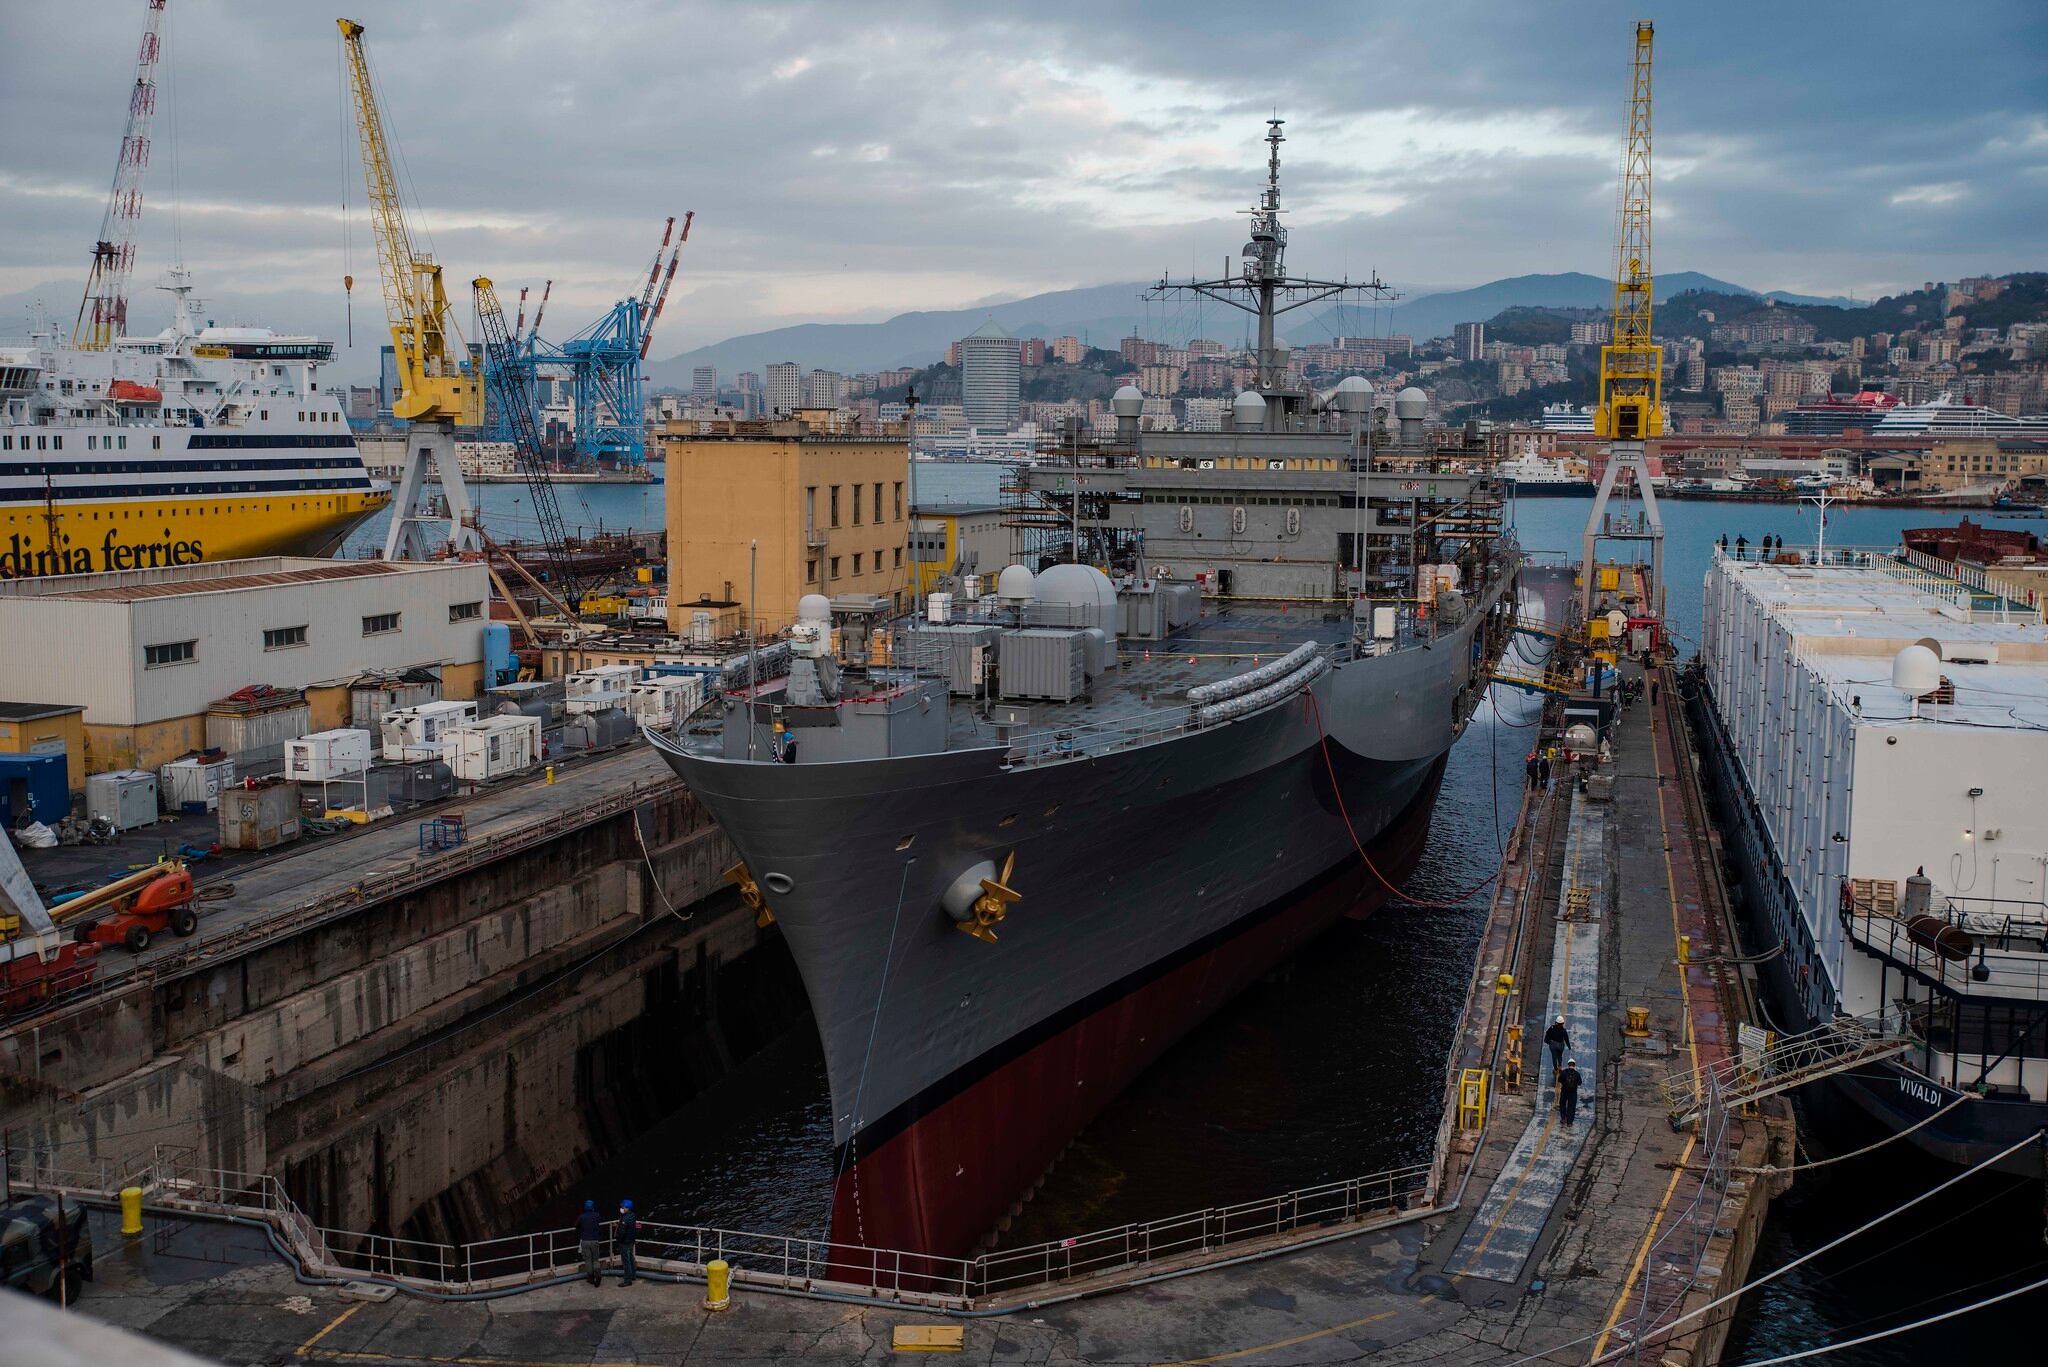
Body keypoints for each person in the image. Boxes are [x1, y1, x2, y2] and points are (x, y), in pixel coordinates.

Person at [576, 1199, 604, 1287]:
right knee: (595, 1260)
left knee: (588, 1260)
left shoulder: (582, 1217)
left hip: (585, 1241)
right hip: (595, 1240)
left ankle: (591, 1278)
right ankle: (598, 1274)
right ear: (593, 1207)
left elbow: (576, 1226)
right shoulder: (597, 1215)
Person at [616, 1199, 639, 1286]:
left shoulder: (625, 1218)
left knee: (626, 1261)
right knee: (631, 1258)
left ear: (627, 1208)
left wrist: (618, 1239)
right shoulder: (632, 1215)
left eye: (623, 1207)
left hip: (625, 1242)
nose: (621, 1208)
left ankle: (627, 1280)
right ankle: (633, 1275)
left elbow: (622, 1231)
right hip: (631, 1241)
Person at [1559, 1058, 1584, 1124]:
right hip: (1573, 1093)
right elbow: (1580, 1083)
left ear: (1568, 1065)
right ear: (1574, 1065)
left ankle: (1563, 1118)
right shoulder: (1577, 1074)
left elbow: (1559, 1080)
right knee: (1571, 1107)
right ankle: (1569, 1122)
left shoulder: (1564, 1072)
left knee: (1562, 1104)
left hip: (1564, 1091)